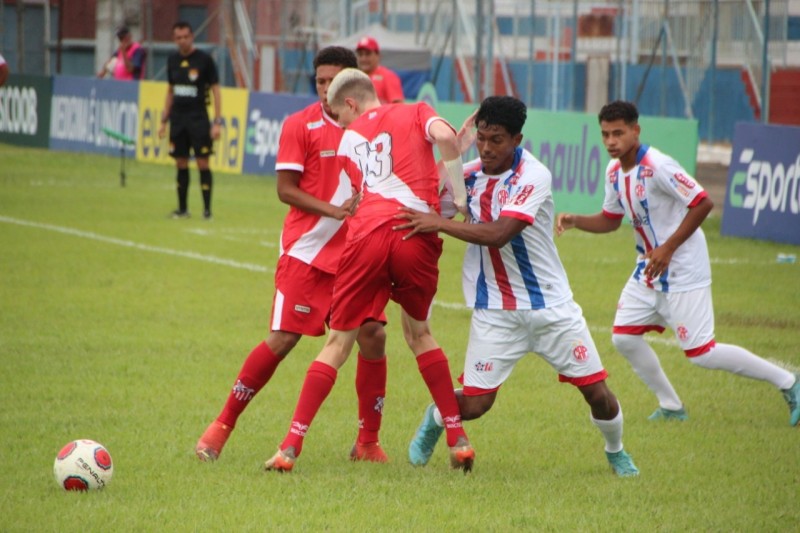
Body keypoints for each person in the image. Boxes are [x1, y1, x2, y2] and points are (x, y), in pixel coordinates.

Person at [396, 96, 640, 477]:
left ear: (517, 139)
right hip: (495, 311)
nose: (488, 148)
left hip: (551, 308)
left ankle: (616, 451)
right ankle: (433, 420)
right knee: (476, 405)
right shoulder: (467, 178)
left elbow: (499, 234)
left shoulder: (533, 175)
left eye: (497, 140)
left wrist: (439, 223)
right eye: (482, 139)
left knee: (598, 395)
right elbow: (422, 211)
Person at [263, 68, 474, 473]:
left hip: (366, 235)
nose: (340, 123)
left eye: (339, 114)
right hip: (415, 229)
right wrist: (460, 196)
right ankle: (457, 437)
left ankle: (290, 447)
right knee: (420, 335)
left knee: (338, 343)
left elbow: (365, 192)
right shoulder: (416, 112)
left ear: (351, 104)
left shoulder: (347, 141)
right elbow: (444, 143)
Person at [195, 48, 390, 463]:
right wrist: (334, 211)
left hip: (358, 255)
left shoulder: (375, 127)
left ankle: (367, 443)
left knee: (374, 334)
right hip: (307, 252)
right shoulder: (299, 125)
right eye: (320, 81)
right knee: (284, 339)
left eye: (333, 81)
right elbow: (285, 190)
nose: (325, 89)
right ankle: (222, 425)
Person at [556, 100, 800, 427]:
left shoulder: (658, 165)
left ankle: (789, 382)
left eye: (618, 133)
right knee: (624, 338)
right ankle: (671, 406)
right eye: (605, 135)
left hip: (683, 268)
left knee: (703, 353)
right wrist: (576, 220)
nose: (611, 141)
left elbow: (702, 203)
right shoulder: (614, 171)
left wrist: (668, 248)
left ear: (635, 130)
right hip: (648, 269)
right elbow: (611, 220)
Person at [158, 21, 221, 220]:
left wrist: (217, 122)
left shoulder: (204, 60)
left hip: (199, 120)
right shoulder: (172, 60)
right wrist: (163, 120)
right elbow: (170, 91)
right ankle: (183, 209)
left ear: (192, 37)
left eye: (186, 36)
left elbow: (216, 90)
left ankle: (207, 211)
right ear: (174, 39)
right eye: (179, 37)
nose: (182, 40)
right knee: (181, 163)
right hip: (178, 120)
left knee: (203, 163)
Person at [355, 36, 404, 104]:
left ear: (378, 55)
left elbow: (398, 106)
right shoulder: (355, 77)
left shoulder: (388, 76)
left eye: (368, 54)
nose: (363, 59)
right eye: (360, 55)